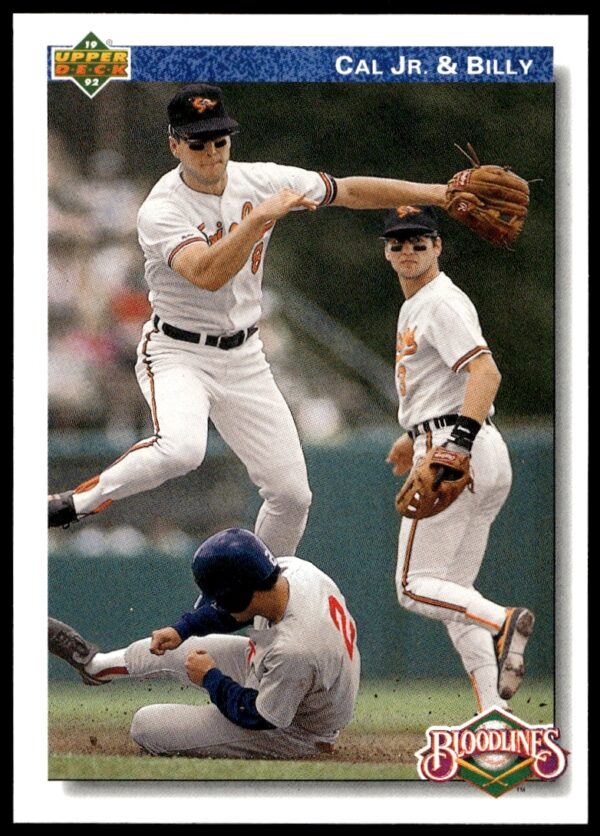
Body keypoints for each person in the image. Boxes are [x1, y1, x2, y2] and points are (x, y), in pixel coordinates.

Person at [48, 82, 448, 557]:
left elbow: (347, 190)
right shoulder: (161, 208)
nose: (212, 153)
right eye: (198, 144)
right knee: (182, 450)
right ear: (175, 145)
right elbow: (207, 273)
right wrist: (259, 219)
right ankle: (77, 502)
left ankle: (252, 600)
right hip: (178, 352)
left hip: (244, 357)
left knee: (292, 496)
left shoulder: (258, 180)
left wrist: (439, 194)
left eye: (220, 140)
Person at [382, 205, 534, 712]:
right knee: (452, 594)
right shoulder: (420, 303)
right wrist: (413, 435)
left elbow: (486, 375)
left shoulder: (440, 303)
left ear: (438, 246)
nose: (408, 251)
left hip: (459, 446)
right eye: (398, 243)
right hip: (473, 445)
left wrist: (454, 442)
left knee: (413, 586)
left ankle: (501, 621)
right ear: (386, 250)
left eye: (419, 241)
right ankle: (496, 714)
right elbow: (441, 383)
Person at [48, 528, 360, 759]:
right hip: (292, 675)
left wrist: (211, 678)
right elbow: (239, 610)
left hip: (296, 725)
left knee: (146, 726)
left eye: (220, 599)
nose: (217, 605)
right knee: (184, 648)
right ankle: (95, 666)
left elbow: (259, 716)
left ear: (238, 593)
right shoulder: (293, 572)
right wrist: (182, 630)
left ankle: (315, 748)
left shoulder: (296, 649)